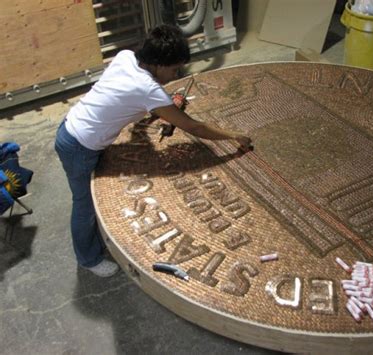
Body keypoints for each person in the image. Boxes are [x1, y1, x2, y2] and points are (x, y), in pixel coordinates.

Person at [55, 25, 252, 277]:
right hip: (80, 146)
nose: (175, 74)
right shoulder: (149, 90)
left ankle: (90, 247)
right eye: (173, 69)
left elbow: (127, 97)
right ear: (158, 64)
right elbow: (194, 127)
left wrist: (158, 110)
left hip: (70, 126)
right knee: (83, 204)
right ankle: (89, 259)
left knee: (84, 199)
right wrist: (234, 136)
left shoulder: (126, 57)